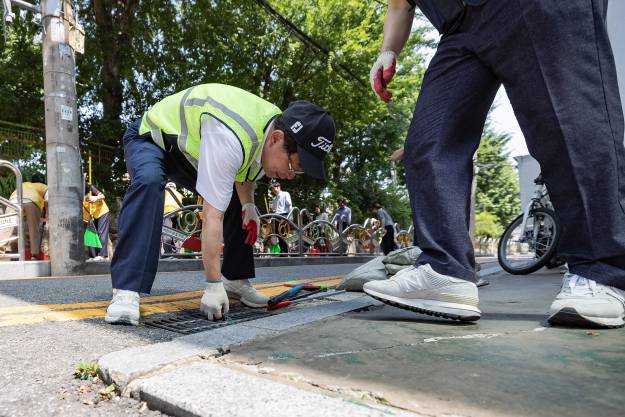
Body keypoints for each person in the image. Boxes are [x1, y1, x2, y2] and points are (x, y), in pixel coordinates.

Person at [364, 0, 625, 328]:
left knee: (565, 121)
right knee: (429, 142)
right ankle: (444, 271)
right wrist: (388, 50)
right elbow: (399, 3)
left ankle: (601, 271)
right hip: (459, 26)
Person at [105, 83, 335, 325]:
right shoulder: (229, 135)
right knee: (149, 181)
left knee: (236, 200)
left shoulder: (274, 131)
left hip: (190, 151)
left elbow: (245, 173)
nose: (291, 175)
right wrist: (212, 285)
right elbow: (212, 215)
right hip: (153, 137)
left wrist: (248, 206)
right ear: (276, 139)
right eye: (293, 165)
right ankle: (126, 290)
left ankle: (235, 279)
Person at [1, 173, 48, 260]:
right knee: (33, 229)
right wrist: (47, 218)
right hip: (32, 201)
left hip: (13, 201)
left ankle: (2, 251)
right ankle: (34, 255)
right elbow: (48, 202)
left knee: (8, 227)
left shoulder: (24, 184)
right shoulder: (44, 186)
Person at [83, 183, 110, 260]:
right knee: (90, 233)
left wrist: (95, 198)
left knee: (101, 232)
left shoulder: (89, 187)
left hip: (102, 211)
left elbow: (102, 196)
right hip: (91, 215)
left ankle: (102, 255)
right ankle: (93, 256)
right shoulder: (75, 193)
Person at [269, 181, 292, 254]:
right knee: (278, 234)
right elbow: (273, 210)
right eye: (272, 189)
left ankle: (285, 251)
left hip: (284, 216)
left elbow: (289, 204)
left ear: (278, 187)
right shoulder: (275, 198)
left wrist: (289, 216)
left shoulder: (285, 194)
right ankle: (282, 250)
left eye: (274, 188)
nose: (273, 190)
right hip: (276, 217)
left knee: (283, 234)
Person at [162, 182, 184, 255]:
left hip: (167, 212)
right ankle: (175, 251)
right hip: (177, 214)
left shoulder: (164, 192)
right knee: (175, 233)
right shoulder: (179, 194)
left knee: (167, 232)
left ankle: (168, 252)